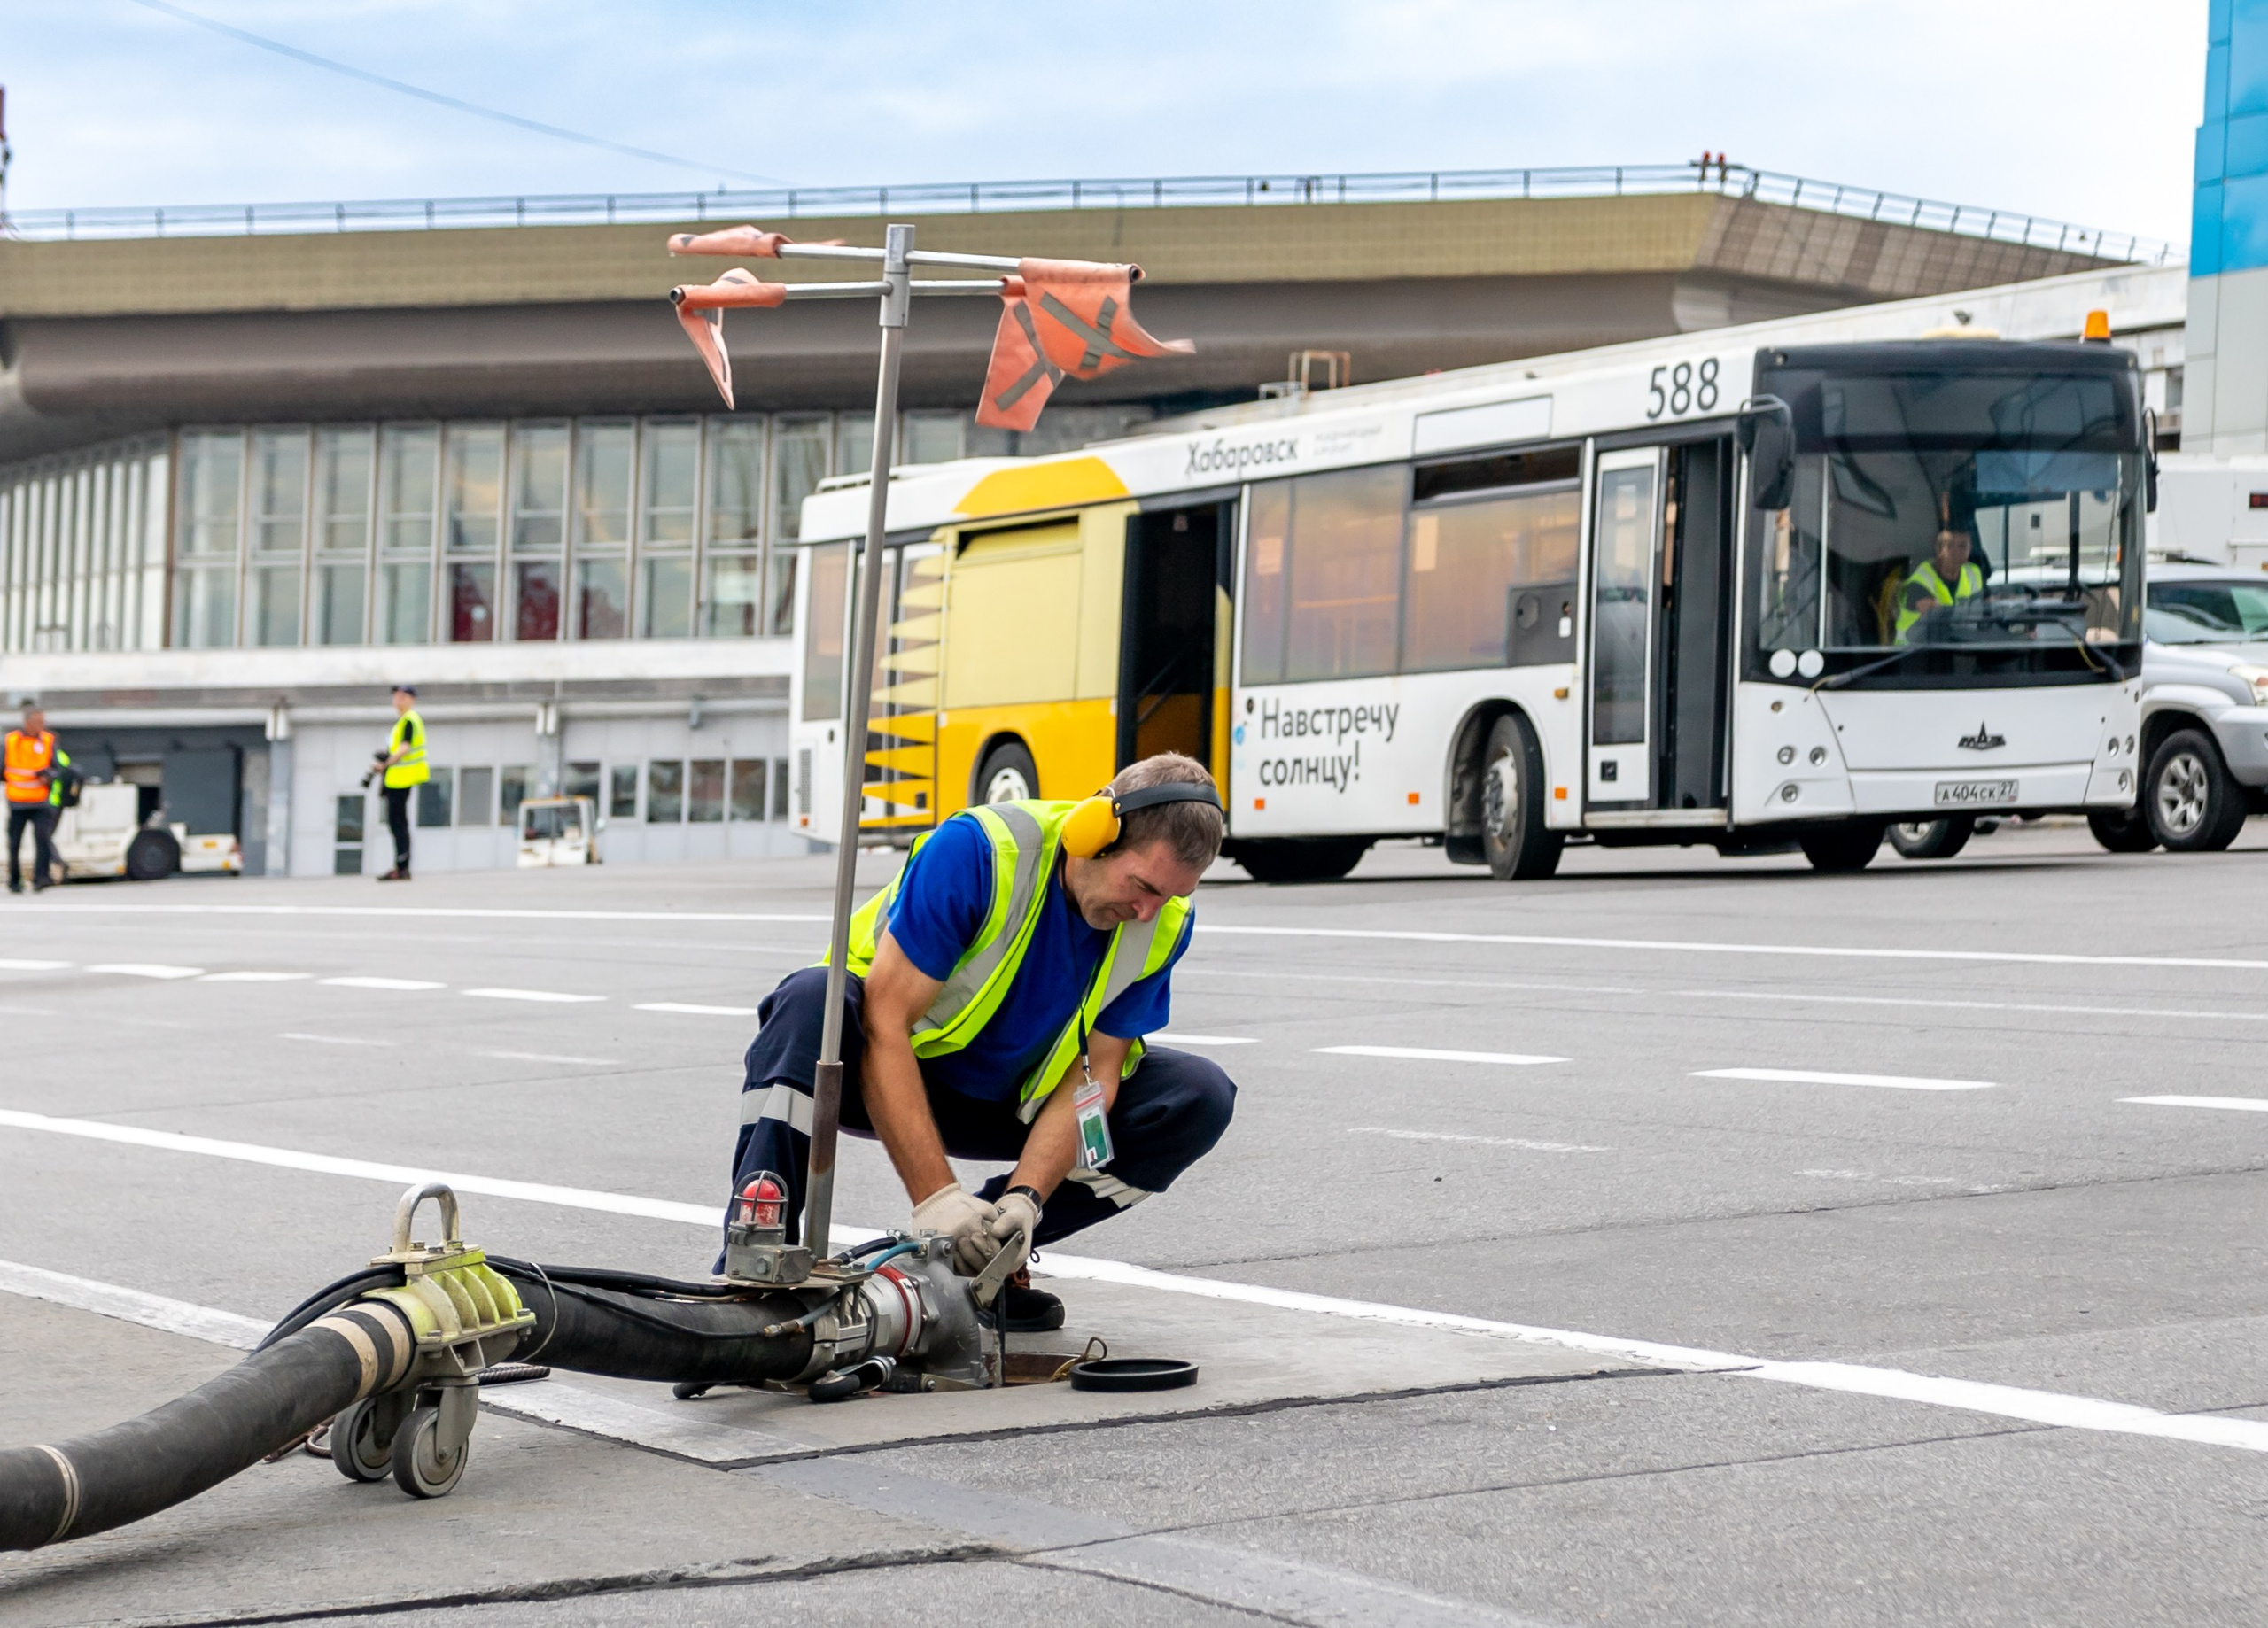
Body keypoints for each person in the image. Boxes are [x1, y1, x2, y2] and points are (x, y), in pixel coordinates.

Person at [726, 752, 1236, 1330]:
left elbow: (1096, 1073)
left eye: (1168, 896)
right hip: (873, 1070)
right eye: (1142, 885)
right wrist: (936, 1199)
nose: (1145, 911)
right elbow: (884, 1021)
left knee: (1198, 1096)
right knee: (811, 998)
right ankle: (759, 1259)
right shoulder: (982, 853)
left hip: (1010, 1102)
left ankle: (980, 1261)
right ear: (1095, 833)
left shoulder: (1164, 921)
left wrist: (1026, 1201)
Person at [1895, 506, 1984, 646]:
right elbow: (1940, 619)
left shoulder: (1973, 573)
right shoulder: (1919, 583)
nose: (1960, 552)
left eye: (1964, 546)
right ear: (1939, 549)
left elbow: (1989, 608)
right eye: (1952, 546)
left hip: (1954, 652)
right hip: (1910, 658)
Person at [5, 703, 70, 895]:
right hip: (17, 802)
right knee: (14, 843)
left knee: (42, 840)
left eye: (43, 721)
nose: (42, 725)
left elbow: (57, 769)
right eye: (39, 721)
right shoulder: (11, 741)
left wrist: (48, 775)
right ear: (27, 722)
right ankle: (15, 880)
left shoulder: (49, 741)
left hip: (40, 801)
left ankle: (40, 878)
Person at [372, 686, 427, 881]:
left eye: (403, 696)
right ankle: (401, 865)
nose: (398, 700)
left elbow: (404, 748)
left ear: (412, 699)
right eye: (396, 696)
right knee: (397, 823)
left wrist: (385, 763)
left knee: (398, 823)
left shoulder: (410, 720)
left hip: (402, 778)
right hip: (397, 777)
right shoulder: (403, 721)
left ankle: (402, 866)